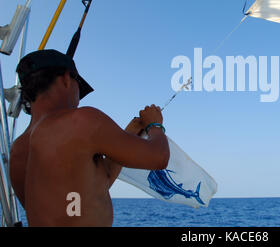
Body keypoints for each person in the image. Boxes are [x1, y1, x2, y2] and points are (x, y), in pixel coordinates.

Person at [9, 49, 170, 226]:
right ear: (65, 79)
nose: (79, 99)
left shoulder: (18, 150)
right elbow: (158, 157)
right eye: (79, 86)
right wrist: (155, 125)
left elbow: (87, 190)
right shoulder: (81, 121)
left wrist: (130, 133)